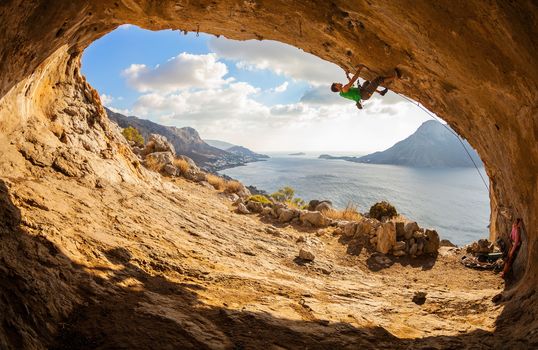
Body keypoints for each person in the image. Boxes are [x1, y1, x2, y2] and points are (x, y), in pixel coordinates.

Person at [331, 64, 400, 109]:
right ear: (336, 87)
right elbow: (354, 79)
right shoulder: (344, 89)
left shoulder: (342, 93)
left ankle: (381, 92)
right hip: (364, 94)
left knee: (367, 82)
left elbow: (352, 85)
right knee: (377, 80)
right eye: (337, 84)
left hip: (362, 92)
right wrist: (360, 68)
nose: (338, 82)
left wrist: (347, 76)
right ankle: (395, 77)